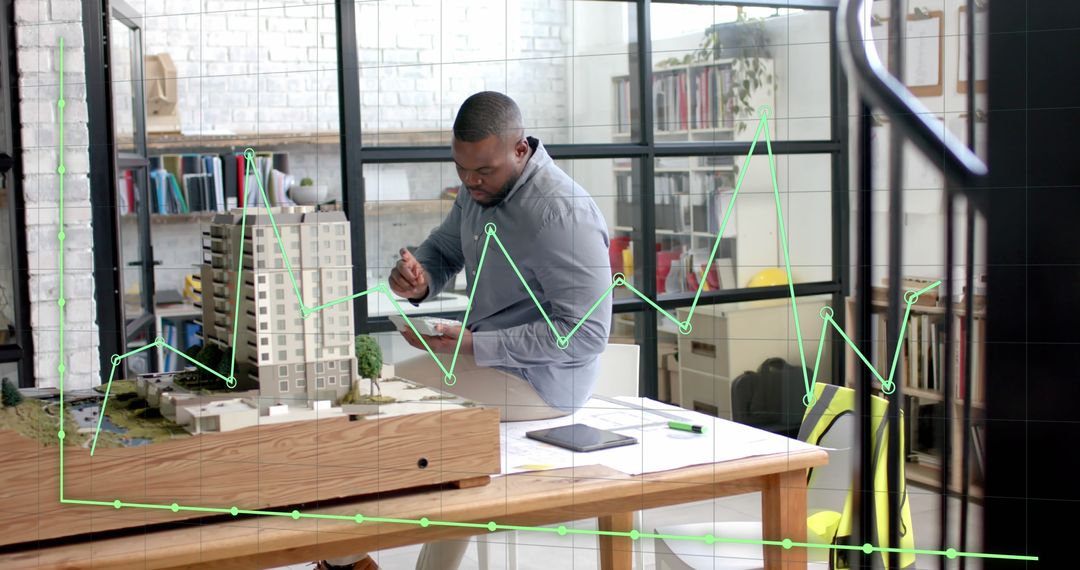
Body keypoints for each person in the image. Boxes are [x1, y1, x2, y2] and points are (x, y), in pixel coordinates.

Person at [315, 92, 613, 569]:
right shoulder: (480, 191)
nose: (470, 182)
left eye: (483, 171)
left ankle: (343, 562)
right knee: (376, 407)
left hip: (545, 379)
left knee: (371, 407)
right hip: (486, 358)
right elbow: (445, 249)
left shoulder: (562, 213)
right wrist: (420, 276)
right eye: (461, 169)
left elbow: (586, 333)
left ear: (521, 150)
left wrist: (473, 342)